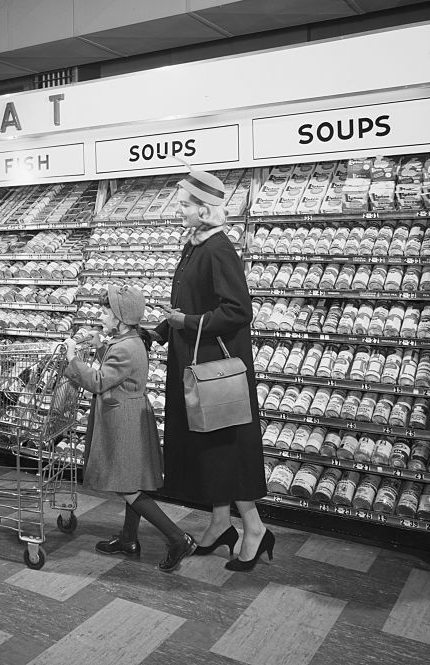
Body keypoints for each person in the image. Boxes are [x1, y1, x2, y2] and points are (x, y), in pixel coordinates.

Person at [153, 168, 273, 572]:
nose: (179, 211)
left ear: (204, 209)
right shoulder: (194, 245)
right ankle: (222, 521)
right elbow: (186, 303)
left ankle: (253, 526)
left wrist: (187, 323)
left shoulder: (218, 248)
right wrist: (158, 332)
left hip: (214, 370)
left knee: (224, 448)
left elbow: (239, 311)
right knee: (208, 447)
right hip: (195, 365)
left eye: (185, 205)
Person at [64, 285, 196, 572]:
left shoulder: (125, 347)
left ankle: (177, 538)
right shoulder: (129, 341)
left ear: (121, 317)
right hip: (128, 413)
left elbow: (99, 381)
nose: (101, 314)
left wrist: (72, 360)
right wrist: (100, 346)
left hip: (122, 420)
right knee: (130, 480)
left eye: (106, 310)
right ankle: (128, 538)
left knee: (127, 486)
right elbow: (115, 373)